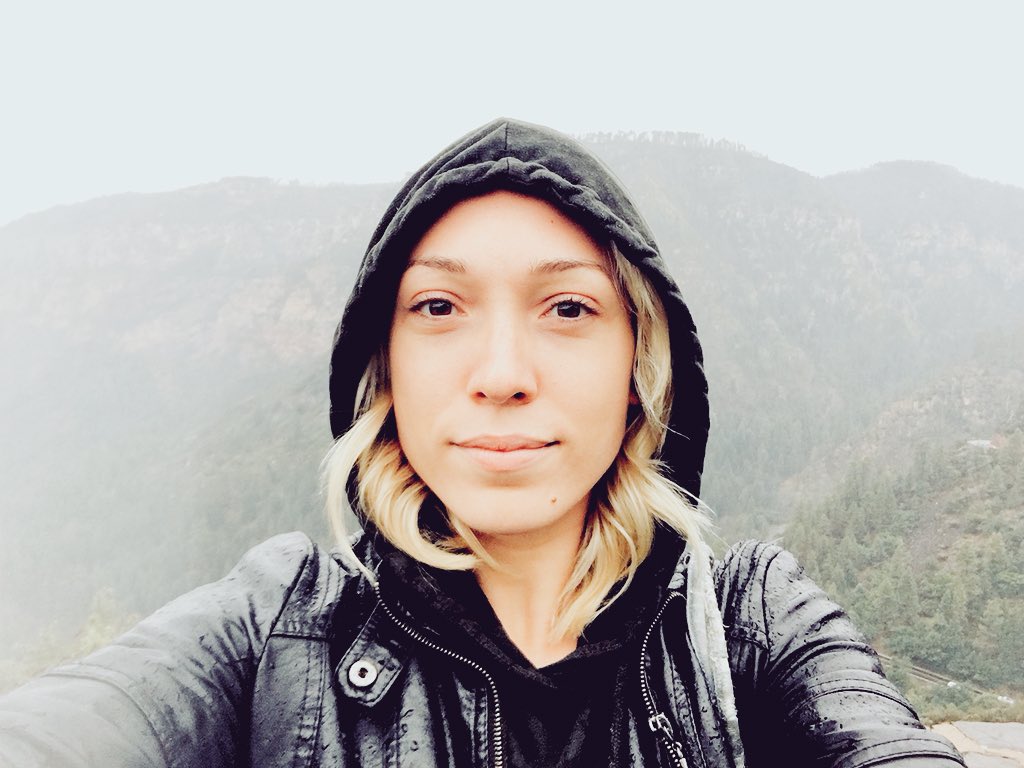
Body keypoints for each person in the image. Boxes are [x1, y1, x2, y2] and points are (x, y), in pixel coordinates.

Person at [0, 118, 965, 768]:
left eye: (568, 307)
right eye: (438, 306)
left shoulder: (747, 627)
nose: (501, 373)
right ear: (384, 365)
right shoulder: (276, 629)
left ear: (640, 366)